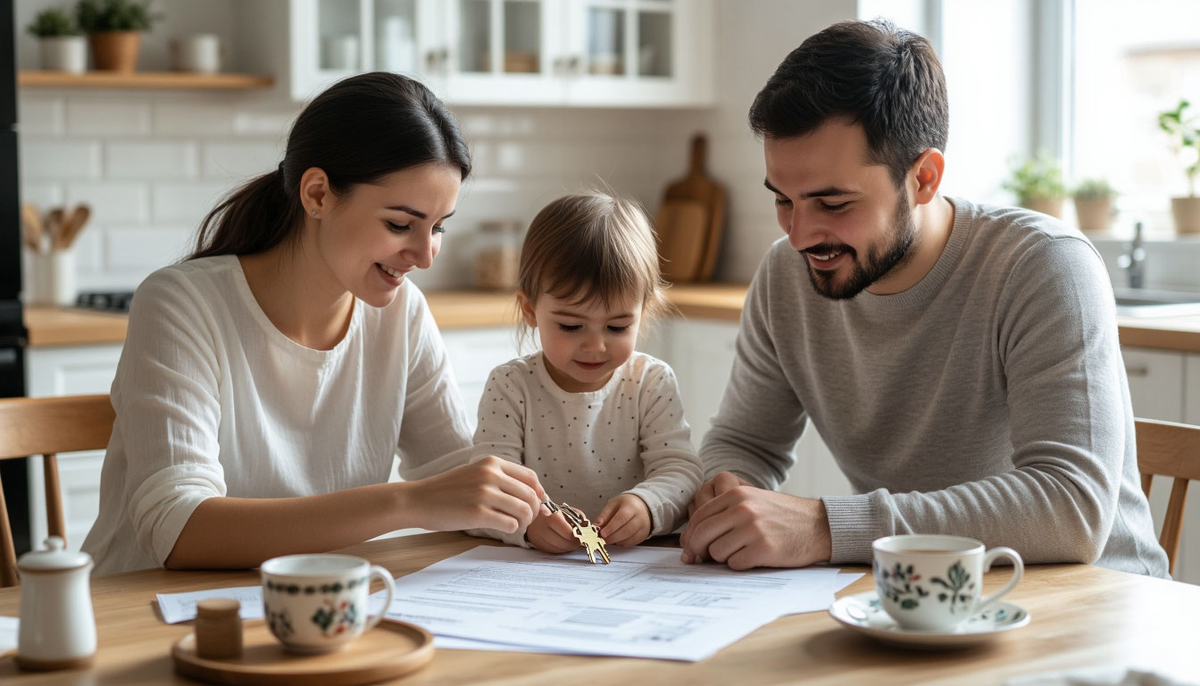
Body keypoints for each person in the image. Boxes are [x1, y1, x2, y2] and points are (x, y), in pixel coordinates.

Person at [680, 20, 1169, 577]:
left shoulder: (1043, 266)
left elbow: (1071, 508)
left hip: (1096, 599)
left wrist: (823, 527)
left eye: (833, 204)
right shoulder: (785, 276)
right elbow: (746, 442)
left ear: (924, 178)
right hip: (922, 592)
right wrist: (727, 491)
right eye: (783, 200)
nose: (799, 236)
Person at [82, 73, 546, 574]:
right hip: (143, 605)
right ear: (318, 194)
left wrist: (532, 519)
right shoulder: (182, 303)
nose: (425, 256)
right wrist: (408, 502)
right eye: (400, 224)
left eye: (438, 227)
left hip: (311, 602)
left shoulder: (402, 313)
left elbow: (455, 477)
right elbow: (177, 529)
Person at [463, 193, 703, 552]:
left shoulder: (651, 382)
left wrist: (647, 506)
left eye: (617, 327)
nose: (595, 346)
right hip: (534, 569)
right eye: (571, 326)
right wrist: (529, 524)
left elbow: (681, 473)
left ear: (644, 311)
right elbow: (488, 491)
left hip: (632, 563)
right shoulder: (510, 386)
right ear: (530, 310)